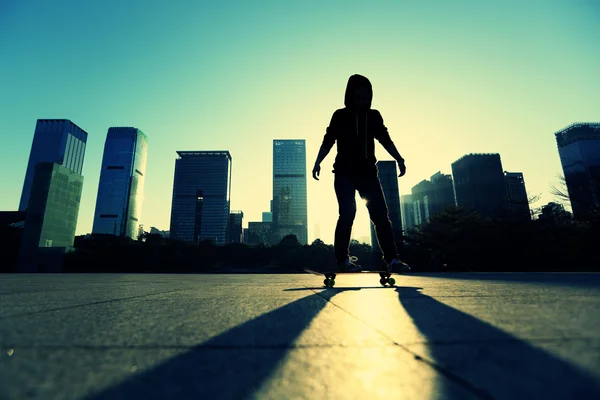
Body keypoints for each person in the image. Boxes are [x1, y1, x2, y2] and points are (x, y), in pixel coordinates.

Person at [312, 74, 411, 273]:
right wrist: (317, 162)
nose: (361, 102)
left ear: (370, 97)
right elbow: (328, 140)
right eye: (357, 97)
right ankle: (342, 260)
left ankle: (392, 259)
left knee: (381, 216)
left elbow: (385, 139)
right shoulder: (340, 115)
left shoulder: (374, 116)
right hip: (343, 174)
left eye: (365, 98)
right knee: (347, 214)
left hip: (368, 175)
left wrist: (399, 158)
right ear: (349, 96)